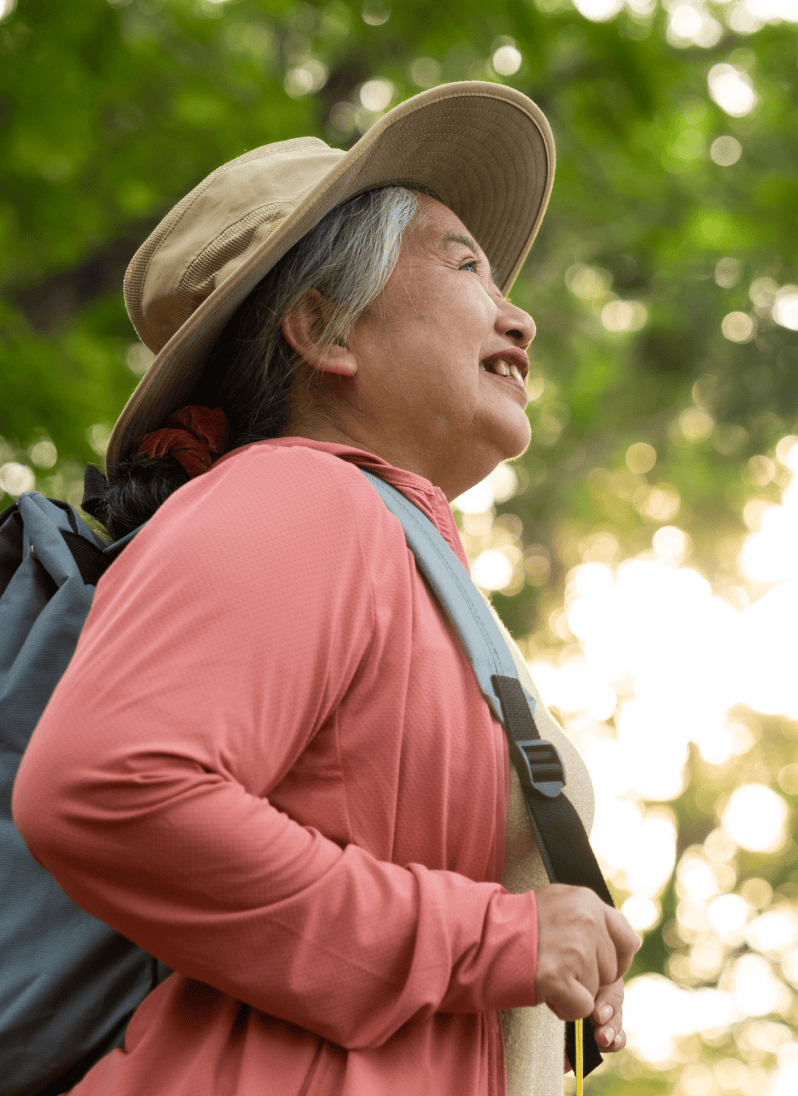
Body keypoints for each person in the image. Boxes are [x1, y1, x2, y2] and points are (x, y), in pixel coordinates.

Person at [12, 82, 639, 1096]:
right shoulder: (300, 493)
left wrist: (543, 959)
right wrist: (494, 939)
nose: (517, 314)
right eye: (465, 261)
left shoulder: (405, 564)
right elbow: (109, 787)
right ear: (324, 330)